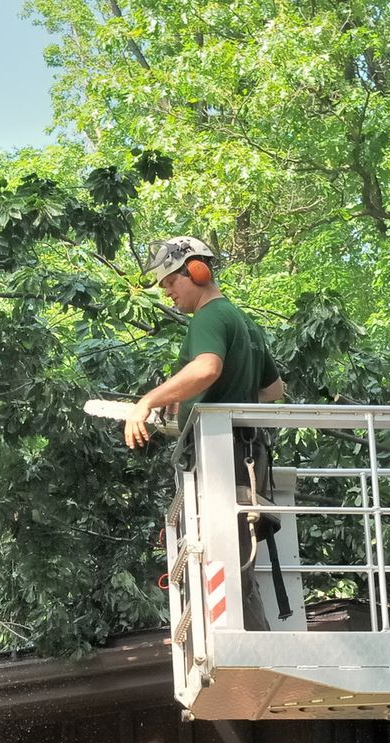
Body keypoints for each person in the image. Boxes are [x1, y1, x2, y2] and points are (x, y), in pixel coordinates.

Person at [122, 236, 288, 629]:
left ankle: (250, 648)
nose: (168, 292)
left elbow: (207, 368)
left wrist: (147, 401)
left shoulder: (209, 317)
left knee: (224, 562)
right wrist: (206, 400)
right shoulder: (244, 322)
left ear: (195, 272)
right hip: (245, 455)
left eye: (170, 282)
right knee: (236, 561)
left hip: (222, 457)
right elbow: (273, 390)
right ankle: (252, 642)